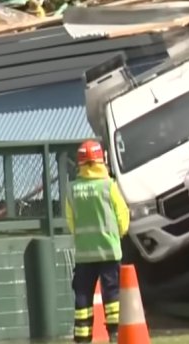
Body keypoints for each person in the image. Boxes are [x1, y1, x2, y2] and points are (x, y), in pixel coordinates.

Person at [65, 140, 130, 343]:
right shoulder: (108, 186)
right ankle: (114, 335)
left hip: (85, 253)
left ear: (80, 163)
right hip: (109, 250)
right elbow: (122, 214)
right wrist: (119, 233)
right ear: (101, 160)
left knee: (83, 296)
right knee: (112, 295)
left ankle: (83, 338)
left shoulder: (72, 190)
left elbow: (70, 221)